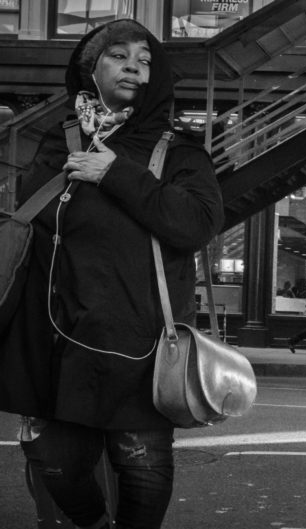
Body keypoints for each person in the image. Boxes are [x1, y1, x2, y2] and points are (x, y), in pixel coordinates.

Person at [0, 20, 224, 529]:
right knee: (54, 462)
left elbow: (198, 224)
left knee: (140, 466)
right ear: (91, 68)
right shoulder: (58, 144)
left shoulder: (177, 152)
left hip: (136, 341)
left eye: (144, 60)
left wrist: (117, 173)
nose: (132, 66)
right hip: (58, 338)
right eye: (118, 56)